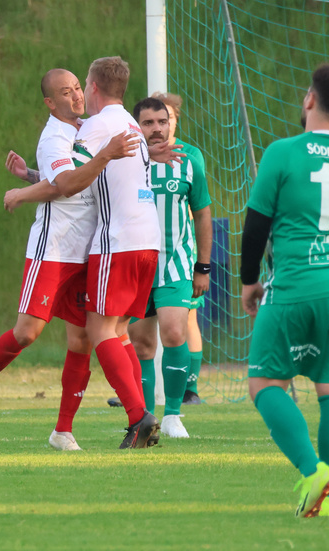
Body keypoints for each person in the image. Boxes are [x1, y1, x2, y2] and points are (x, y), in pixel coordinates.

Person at [0, 68, 138, 451]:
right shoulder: (54, 137)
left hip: (90, 248)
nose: (74, 96)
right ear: (50, 102)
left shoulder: (88, 126)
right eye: (65, 92)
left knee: (82, 339)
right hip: (55, 249)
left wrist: (28, 178)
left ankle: (63, 431)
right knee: (28, 333)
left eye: (77, 88)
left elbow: (74, 178)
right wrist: (29, 192)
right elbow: (68, 184)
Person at [240, 63, 329, 517]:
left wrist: (248, 282)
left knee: (264, 380)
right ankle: (327, 498)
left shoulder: (284, 152)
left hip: (299, 282)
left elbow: (256, 225)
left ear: (309, 100)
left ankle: (312, 471)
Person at [59, 56, 162, 449]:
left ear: (94, 88)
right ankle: (141, 417)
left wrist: (26, 188)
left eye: (84, 85)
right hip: (147, 239)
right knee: (118, 331)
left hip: (117, 240)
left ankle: (139, 417)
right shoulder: (131, 124)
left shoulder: (98, 126)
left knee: (97, 329)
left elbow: (69, 180)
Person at [127, 96, 212, 438]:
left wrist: (202, 267)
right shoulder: (127, 159)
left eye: (162, 121)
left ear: (171, 122)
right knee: (141, 344)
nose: (157, 128)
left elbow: (203, 213)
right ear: (137, 127)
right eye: (148, 123)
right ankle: (145, 419)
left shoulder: (190, 159)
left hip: (176, 262)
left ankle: (174, 413)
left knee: (175, 332)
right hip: (134, 264)